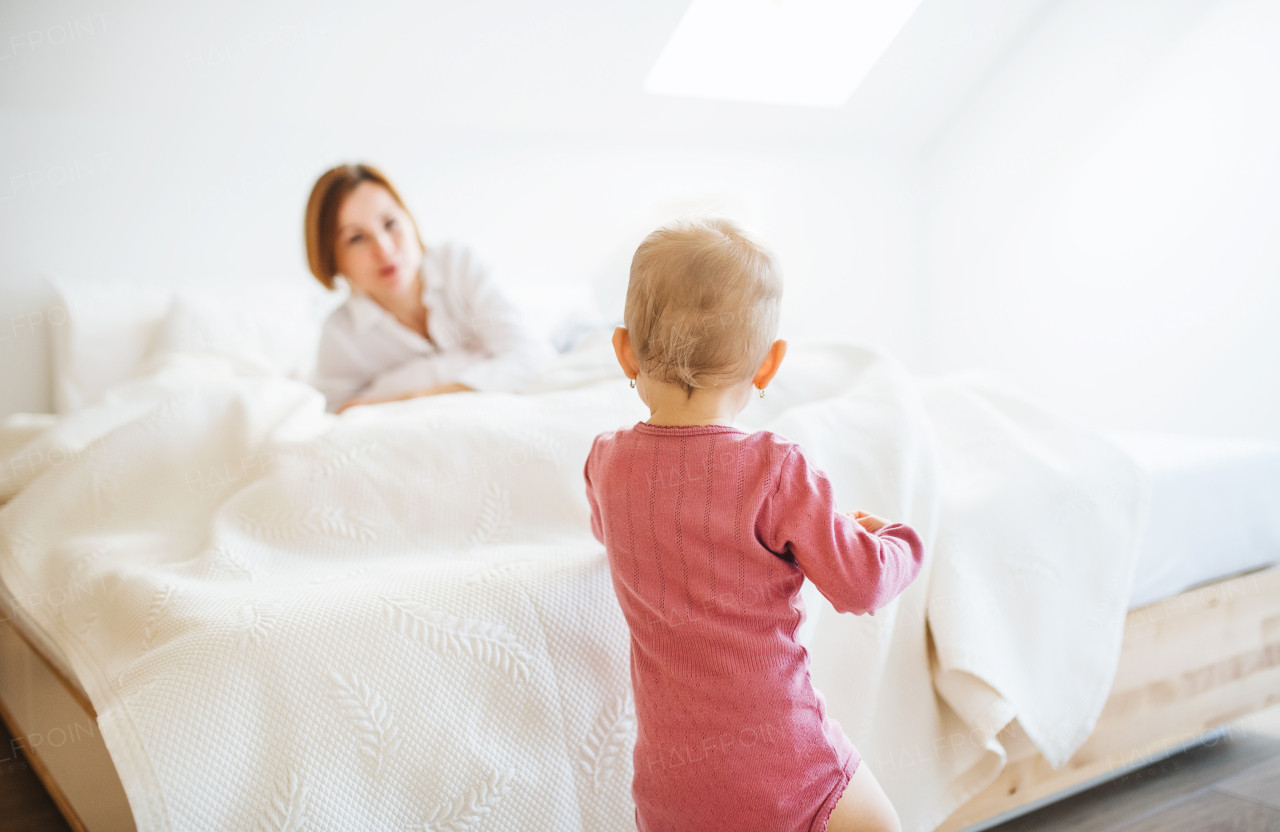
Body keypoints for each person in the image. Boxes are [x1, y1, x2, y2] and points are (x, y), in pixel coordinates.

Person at [582, 217, 924, 832]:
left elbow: (612, 531)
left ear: (625, 350)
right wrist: (898, 541)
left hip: (668, 790)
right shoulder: (774, 470)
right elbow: (862, 583)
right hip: (784, 766)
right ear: (768, 366)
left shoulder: (606, 463)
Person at [303, 163, 555, 414]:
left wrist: (410, 397)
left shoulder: (458, 265)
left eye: (390, 223)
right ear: (332, 260)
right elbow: (337, 414)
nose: (385, 249)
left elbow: (532, 357)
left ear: (409, 220)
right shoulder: (340, 337)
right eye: (356, 238)